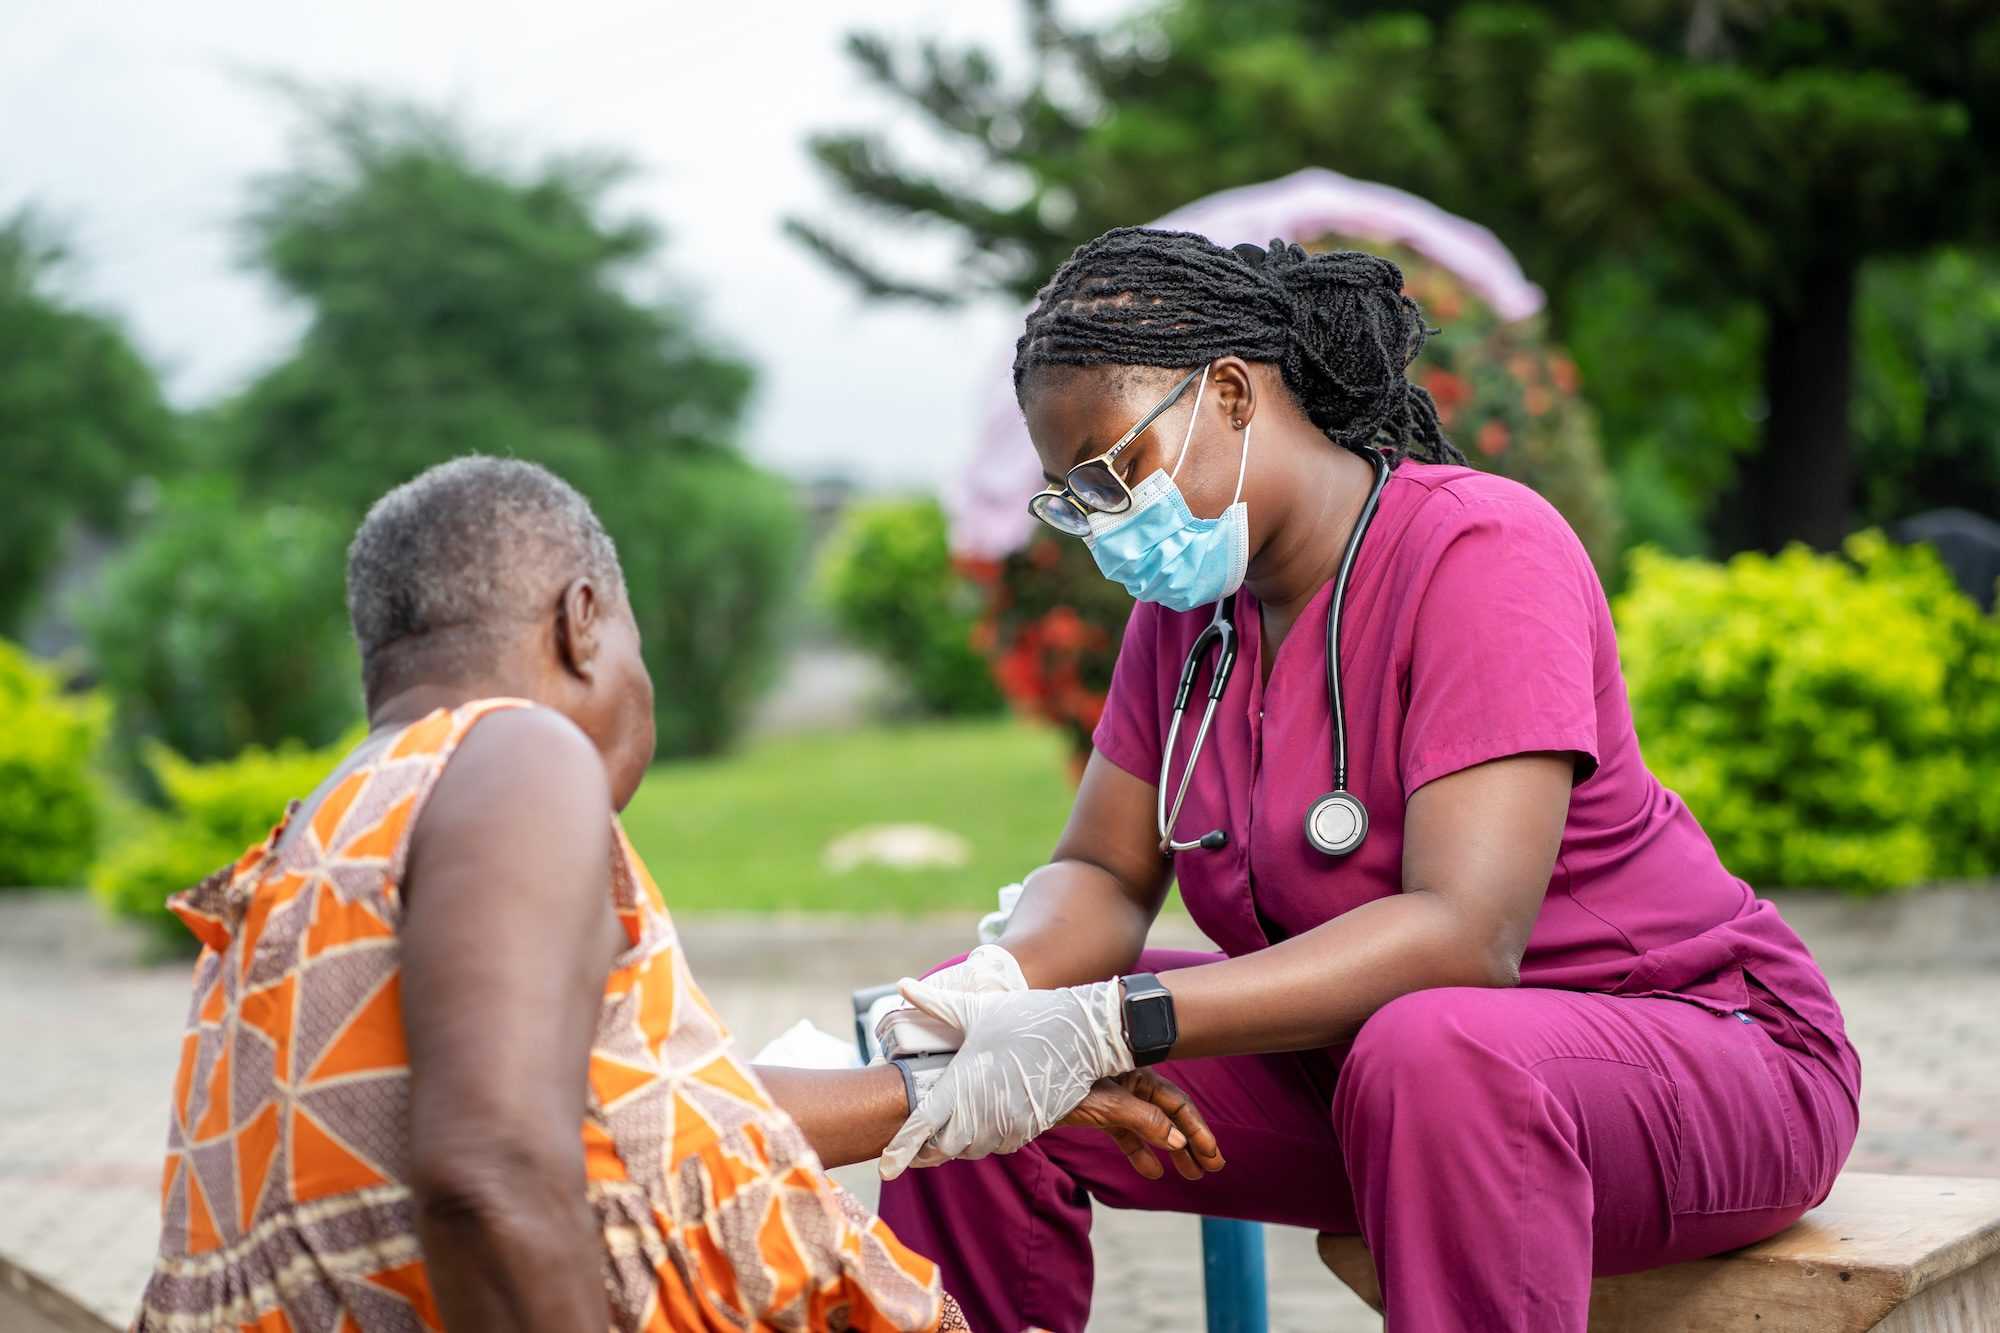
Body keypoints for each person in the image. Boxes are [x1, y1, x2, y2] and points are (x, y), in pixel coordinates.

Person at [872, 230, 1863, 1333]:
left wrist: (1118, 1022)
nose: (1104, 525)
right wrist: (996, 991)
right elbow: (1102, 869)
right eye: (1071, 498)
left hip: (1695, 1057)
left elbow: (1463, 933)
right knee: (971, 1088)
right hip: (1374, 1082)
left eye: (1112, 474)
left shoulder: (1481, 551)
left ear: (1234, 394)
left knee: (1430, 1046)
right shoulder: (1185, 620)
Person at [133, 456, 1220, 1332]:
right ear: (583, 619)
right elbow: (488, 1171)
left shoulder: (312, 846)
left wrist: (949, 1084)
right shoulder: (517, 753)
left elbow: (614, 1126)